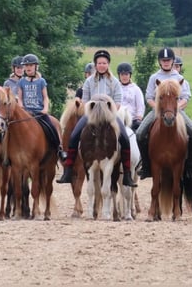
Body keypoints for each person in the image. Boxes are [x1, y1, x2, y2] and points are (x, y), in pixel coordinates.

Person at [57, 50, 136, 187]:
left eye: (104, 63)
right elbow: (85, 100)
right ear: (95, 64)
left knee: (124, 138)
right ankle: (68, 170)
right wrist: (93, 113)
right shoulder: (88, 81)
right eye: (99, 63)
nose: (102, 65)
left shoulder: (114, 82)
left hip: (110, 116)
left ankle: (127, 173)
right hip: (91, 116)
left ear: (108, 64)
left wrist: (108, 114)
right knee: (74, 135)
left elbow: (117, 102)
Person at [135, 47, 192, 180]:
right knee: (139, 133)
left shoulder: (179, 78)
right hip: (158, 111)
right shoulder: (154, 78)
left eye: (168, 60)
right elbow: (149, 97)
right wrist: (158, 108)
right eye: (163, 60)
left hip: (176, 111)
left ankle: (190, 168)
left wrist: (174, 108)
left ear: (173, 62)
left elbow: (186, 97)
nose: (166, 62)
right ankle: (146, 166)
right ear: (160, 62)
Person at [15, 53, 67, 161]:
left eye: (30, 65)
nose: (28, 67)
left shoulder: (41, 81)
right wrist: (21, 106)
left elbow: (45, 97)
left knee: (51, 126)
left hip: (39, 112)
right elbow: (19, 97)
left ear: (36, 66)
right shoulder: (21, 82)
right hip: (26, 112)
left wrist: (45, 109)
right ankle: (7, 155)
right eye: (26, 65)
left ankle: (59, 149)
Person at [117, 61, 144, 131]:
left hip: (133, 120)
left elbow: (140, 106)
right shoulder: (115, 89)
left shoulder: (136, 89)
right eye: (122, 74)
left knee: (142, 134)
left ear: (130, 75)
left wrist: (139, 118)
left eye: (126, 74)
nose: (124, 77)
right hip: (118, 120)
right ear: (119, 75)